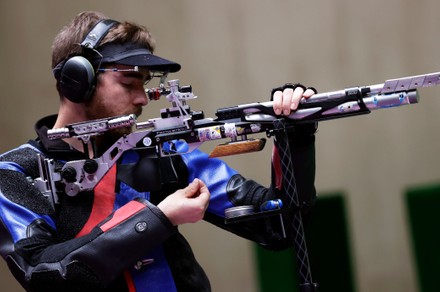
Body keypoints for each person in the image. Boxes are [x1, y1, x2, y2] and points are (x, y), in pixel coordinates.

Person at [0, 11, 317, 292]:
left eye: (146, 83)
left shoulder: (161, 151)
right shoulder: (15, 172)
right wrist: (157, 218)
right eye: (129, 82)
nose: (142, 99)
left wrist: (296, 135)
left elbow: (279, 226)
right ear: (77, 81)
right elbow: (43, 274)